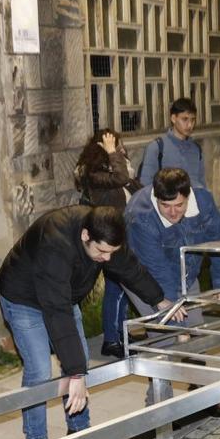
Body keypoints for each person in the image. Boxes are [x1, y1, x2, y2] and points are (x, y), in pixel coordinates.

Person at [0, 205, 174, 439]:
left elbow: (129, 267)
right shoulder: (55, 241)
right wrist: (75, 373)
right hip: (22, 297)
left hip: (63, 294)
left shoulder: (106, 233)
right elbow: (57, 312)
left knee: (80, 358)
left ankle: (80, 429)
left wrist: (158, 299)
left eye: (112, 252)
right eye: (102, 251)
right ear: (85, 236)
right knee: (40, 369)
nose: (107, 259)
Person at [125, 168, 220, 411]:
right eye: (166, 206)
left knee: (196, 330)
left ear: (188, 196)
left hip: (185, 269)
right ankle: (158, 408)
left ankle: (204, 396)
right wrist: (174, 314)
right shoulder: (140, 216)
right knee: (164, 335)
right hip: (144, 279)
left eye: (179, 205)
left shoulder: (203, 202)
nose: (173, 212)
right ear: (156, 197)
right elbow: (157, 269)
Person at [75, 128, 143, 358]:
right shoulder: (94, 173)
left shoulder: (115, 169)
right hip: (108, 235)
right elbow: (121, 178)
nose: (121, 150)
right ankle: (111, 339)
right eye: (115, 146)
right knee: (116, 286)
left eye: (120, 145)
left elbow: (133, 185)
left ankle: (121, 333)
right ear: (102, 149)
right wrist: (114, 154)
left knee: (123, 287)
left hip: (122, 234)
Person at [138, 96, 205, 187]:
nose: (190, 125)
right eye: (184, 119)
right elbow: (145, 186)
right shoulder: (157, 148)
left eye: (193, 120)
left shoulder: (196, 149)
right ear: (173, 118)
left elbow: (201, 184)